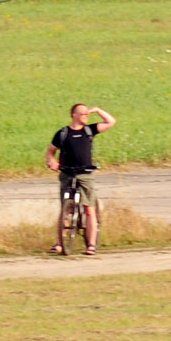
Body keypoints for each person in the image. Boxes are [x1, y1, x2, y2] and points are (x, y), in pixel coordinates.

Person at [46, 103, 116, 255]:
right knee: (66, 209)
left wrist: (97, 109)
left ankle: (91, 244)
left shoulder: (89, 130)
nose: (86, 115)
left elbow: (111, 122)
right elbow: (50, 151)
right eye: (83, 113)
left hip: (85, 175)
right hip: (67, 174)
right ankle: (60, 243)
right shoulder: (63, 133)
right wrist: (52, 161)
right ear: (74, 115)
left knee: (89, 209)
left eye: (87, 113)